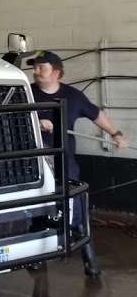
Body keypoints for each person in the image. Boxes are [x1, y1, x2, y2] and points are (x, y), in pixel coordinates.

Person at [29, 50, 128, 277]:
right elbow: (9, 118)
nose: (35, 72)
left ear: (57, 73)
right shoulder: (27, 94)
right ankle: (35, 256)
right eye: (34, 67)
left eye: (41, 68)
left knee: (76, 206)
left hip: (65, 160)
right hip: (34, 162)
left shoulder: (73, 96)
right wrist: (34, 118)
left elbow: (96, 114)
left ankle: (88, 256)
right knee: (38, 208)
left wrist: (116, 133)